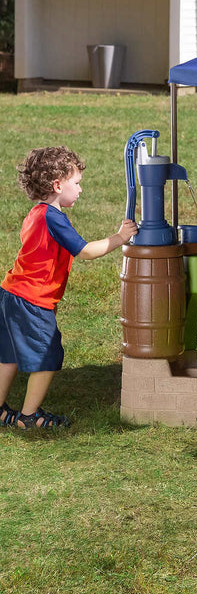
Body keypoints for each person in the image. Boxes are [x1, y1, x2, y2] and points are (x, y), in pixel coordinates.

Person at [0, 146, 137, 429]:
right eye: (76, 183)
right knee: (48, 356)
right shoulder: (53, 217)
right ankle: (29, 416)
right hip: (32, 301)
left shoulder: (35, 213)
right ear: (57, 184)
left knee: (8, 355)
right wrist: (120, 237)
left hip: (10, 293)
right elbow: (85, 251)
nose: (81, 189)